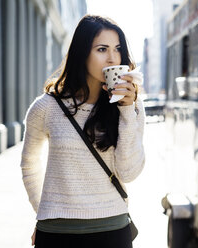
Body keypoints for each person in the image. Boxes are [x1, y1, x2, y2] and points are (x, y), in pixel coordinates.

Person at [20, 15, 145, 248]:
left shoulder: (132, 104)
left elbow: (128, 172)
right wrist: (45, 212)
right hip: (57, 233)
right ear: (81, 53)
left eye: (117, 49)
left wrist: (127, 110)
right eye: (101, 49)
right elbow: (29, 164)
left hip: (112, 229)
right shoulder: (46, 107)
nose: (112, 58)